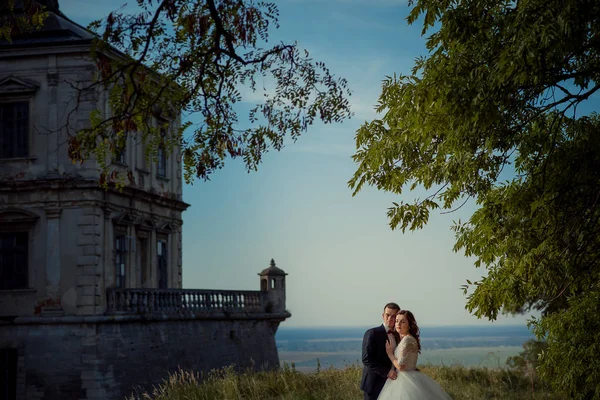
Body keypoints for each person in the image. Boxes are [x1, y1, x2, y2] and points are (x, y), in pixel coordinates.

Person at [377, 310, 453, 400]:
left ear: (409, 325)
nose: (398, 324)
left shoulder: (407, 340)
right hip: (405, 378)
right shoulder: (405, 339)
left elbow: (401, 366)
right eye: (397, 321)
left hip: (405, 381)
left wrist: (390, 354)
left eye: (403, 321)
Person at [361, 302, 401, 400]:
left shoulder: (398, 335)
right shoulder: (372, 333)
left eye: (393, 316)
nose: (390, 318)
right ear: (383, 316)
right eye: (387, 315)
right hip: (374, 384)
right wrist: (387, 372)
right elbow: (366, 359)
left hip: (393, 384)